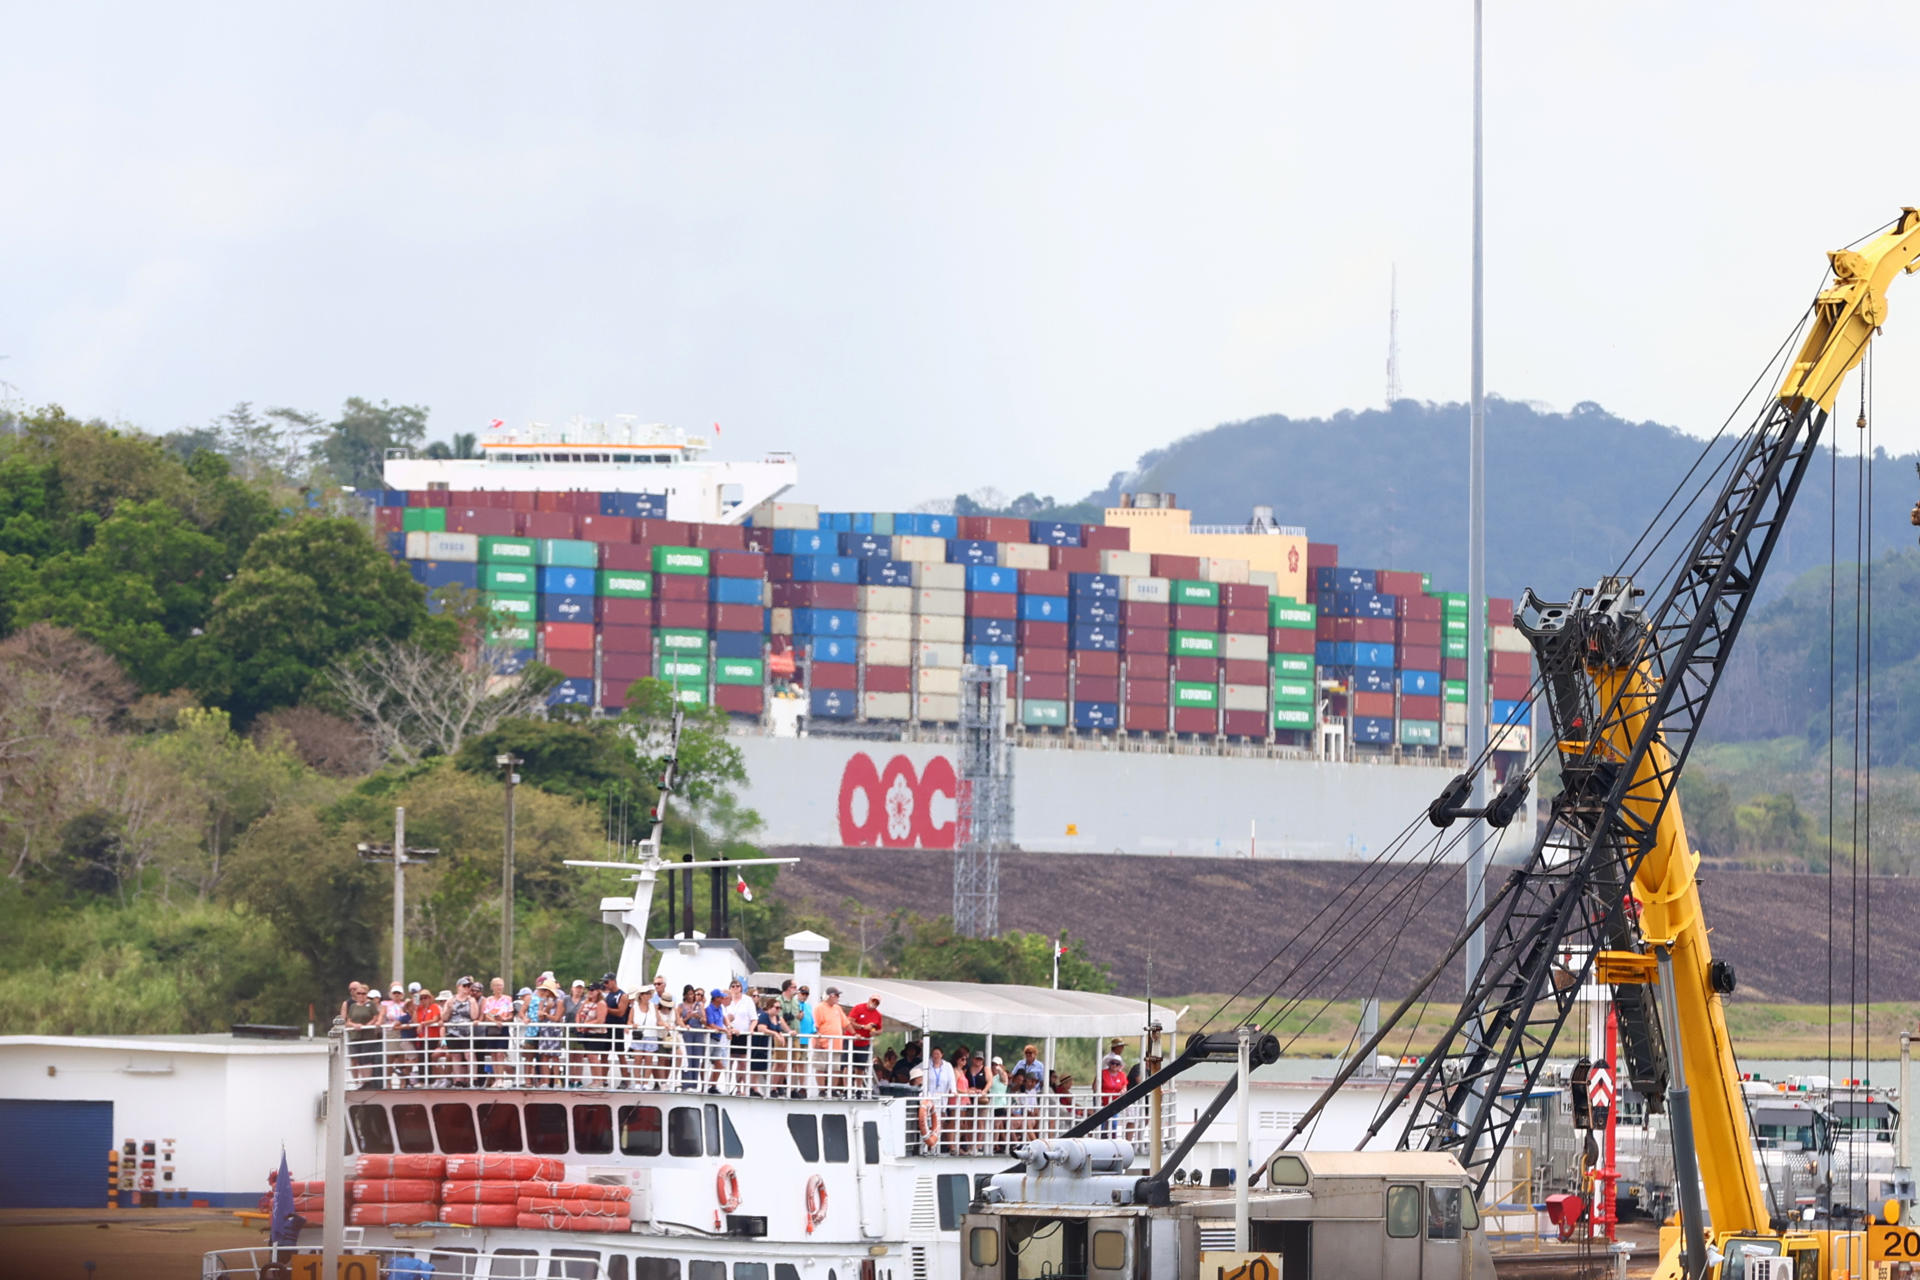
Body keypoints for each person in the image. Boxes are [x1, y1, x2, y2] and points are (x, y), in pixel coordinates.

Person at [813, 987, 851, 1096]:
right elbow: (815, 1025)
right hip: (822, 1043)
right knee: (820, 1067)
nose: (838, 998)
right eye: (837, 995)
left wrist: (854, 1034)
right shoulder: (819, 1008)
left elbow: (846, 1023)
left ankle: (833, 1089)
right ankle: (822, 1090)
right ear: (830, 996)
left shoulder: (837, 1008)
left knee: (836, 1068)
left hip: (836, 1044)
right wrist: (817, 1040)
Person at [443, 978, 479, 1086]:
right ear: (458, 986)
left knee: (469, 1054)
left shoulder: (471, 1000)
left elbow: (474, 1016)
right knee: (456, 1055)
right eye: (465, 986)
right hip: (453, 1031)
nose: (467, 988)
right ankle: (458, 1080)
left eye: (469, 986)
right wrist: (448, 1008)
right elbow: (444, 1017)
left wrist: (472, 1002)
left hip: (467, 1032)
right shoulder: (451, 1000)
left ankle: (474, 1078)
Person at [342, 982, 380, 1085]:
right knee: (355, 1058)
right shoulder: (353, 1006)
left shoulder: (371, 1004)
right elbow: (348, 1020)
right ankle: (356, 1082)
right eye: (359, 993)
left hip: (367, 1036)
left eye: (363, 993)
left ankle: (366, 1081)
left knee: (365, 1058)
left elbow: (375, 1016)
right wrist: (355, 1025)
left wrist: (368, 1025)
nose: (361, 995)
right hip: (355, 1035)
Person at [723, 979, 756, 1093]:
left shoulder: (747, 1000)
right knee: (729, 1061)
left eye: (738, 986)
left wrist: (751, 1029)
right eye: (733, 986)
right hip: (729, 1034)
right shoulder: (726, 1000)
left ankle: (739, 1088)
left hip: (742, 1034)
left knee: (742, 1064)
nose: (735, 988)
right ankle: (727, 1086)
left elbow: (754, 1019)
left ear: (741, 988)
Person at [752, 995, 789, 1096]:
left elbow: (778, 1029)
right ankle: (752, 1088)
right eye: (776, 1007)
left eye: (779, 1008)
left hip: (768, 1045)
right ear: (769, 1007)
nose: (778, 1010)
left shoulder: (776, 1018)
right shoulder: (764, 1016)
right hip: (759, 1043)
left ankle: (772, 1088)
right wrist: (775, 1034)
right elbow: (761, 1028)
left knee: (765, 1065)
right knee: (756, 1066)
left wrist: (780, 1035)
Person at [921, 1047, 957, 1152]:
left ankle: (937, 1146)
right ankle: (929, 1147)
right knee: (928, 1123)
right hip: (930, 1099)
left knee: (939, 1122)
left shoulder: (947, 1066)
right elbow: (920, 1075)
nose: (935, 1056)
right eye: (934, 1054)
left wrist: (954, 1091)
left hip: (942, 1099)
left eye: (937, 1054)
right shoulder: (927, 1064)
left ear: (942, 1054)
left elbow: (951, 1080)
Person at [481, 978, 515, 1086]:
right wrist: (495, 1020)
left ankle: (501, 1078)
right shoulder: (488, 1000)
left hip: (503, 1027)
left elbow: (510, 1014)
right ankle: (496, 1078)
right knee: (494, 1053)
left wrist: (504, 1019)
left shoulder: (507, 999)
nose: (499, 987)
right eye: (496, 985)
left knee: (500, 1053)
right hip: (491, 1028)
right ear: (492, 987)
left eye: (500, 985)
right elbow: (487, 1014)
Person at [575, 983, 610, 1086]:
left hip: (597, 1033)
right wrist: (578, 1025)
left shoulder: (601, 1003)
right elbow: (578, 1013)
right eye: (589, 989)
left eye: (592, 990)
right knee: (591, 1057)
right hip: (587, 1032)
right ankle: (595, 1080)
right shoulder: (586, 1002)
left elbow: (600, 1020)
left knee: (593, 1056)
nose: (590, 991)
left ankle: (598, 1080)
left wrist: (586, 1024)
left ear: (598, 991)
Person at [675, 985, 708, 1091]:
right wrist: (688, 1017)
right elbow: (678, 1021)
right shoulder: (680, 1006)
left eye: (692, 994)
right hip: (687, 1033)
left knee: (696, 1058)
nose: (690, 996)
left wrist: (699, 1017)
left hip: (698, 1033)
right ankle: (686, 1084)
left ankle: (694, 1084)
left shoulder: (699, 1005)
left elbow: (704, 1020)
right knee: (687, 1057)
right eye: (688, 994)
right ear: (685, 995)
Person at [378, 984, 410, 1087]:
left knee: (402, 1058)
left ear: (402, 995)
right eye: (394, 993)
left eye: (398, 993)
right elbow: (382, 1015)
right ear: (391, 994)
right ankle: (388, 1082)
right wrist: (378, 1022)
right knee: (389, 1058)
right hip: (390, 1032)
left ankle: (403, 1082)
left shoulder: (406, 1004)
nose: (396, 995)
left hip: (403, 1032)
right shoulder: (386, 1004)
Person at [601, 972, 630, 1086]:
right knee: (604, 1054)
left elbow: (621, 1012)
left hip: (617, 1027)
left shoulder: (622, 995)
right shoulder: (607, 995)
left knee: (620, 1054)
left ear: (613, 981)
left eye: (607, 982)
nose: (605, 984)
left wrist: (605, 1009)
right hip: (607, 1027)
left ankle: (625, 1079)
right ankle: (603, 1079)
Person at [848, 995, 883, 1088]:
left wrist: (874, 1032)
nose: (874, 1003)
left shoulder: (878, 1015)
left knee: (860, 1066)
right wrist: (863, 1027)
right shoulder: (858, 1008)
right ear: (869, 1000)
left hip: (864, 1043)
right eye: (873, 1001)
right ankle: (846, 1087)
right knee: (847, 1064)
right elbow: (849, 1022)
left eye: (877, 1002)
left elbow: (880, 1030)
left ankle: (858, 1088)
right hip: (851, 1040)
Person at [413, 988, 444, 1082]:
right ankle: (423, 1080)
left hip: (432, 1037)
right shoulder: (419, 1009)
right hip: (422, 1038)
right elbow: (415, 1021)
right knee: (421, 1058)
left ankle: (430, 1080)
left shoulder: (434, 1006)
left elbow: (435, 1019)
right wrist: (415, 1008)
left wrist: (423, 1024)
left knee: (428, 1057)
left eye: (425, 997)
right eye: (421, 998)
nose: (423, 1000)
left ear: (430, 998)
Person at [793, 986, 817, 1097]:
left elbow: (811, 1021)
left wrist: (814, 1031)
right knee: (793, 1063)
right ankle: (792, 1086)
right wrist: (797, 1017)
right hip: (795, 1038)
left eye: (806, 994)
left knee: (802, 1063)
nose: (804, 996)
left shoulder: (808, 1007)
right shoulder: (793, 1004)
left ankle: (802, 1087)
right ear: (798, 993)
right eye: (802, 993)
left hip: (805, 1039)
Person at [704, 989, 729, 1092]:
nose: (723, 999)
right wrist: (723, 1029)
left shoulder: (720, 1009)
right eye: (721, 997)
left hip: (717, 1038)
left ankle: (712, 1085)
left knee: (719, 1064)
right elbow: (710, 1024)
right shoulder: (709, 1009)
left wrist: (727, 1027)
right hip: (710, 1038)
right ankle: (705, 1085)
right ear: (716, 998)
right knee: (706, 1062)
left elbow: (722, 1020)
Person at [987, 1057, 1011, 1152]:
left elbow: (1003, 1077)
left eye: (996, 1064)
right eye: (993, 1064)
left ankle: (994, 1145)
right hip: (990, 1105)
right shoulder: (989, 1076)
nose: (994, 1067)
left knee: (996, 1125)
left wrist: (999, 1068)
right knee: (991, 1125)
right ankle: (993, 1144)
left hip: (1000, 1104)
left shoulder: (1003, 1075)